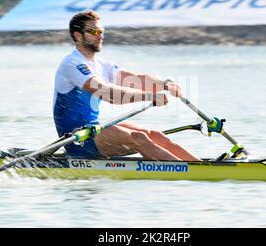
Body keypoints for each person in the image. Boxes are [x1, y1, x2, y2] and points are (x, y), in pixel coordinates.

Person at [53, 10, 200, 161]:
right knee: (139, 137)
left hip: (92, 129)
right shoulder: (73, 63)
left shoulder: (103, 65)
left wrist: (165, 84)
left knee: (156, 136)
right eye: (94, 31)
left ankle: (199, 166)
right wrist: (150, 96)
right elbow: (108, 93)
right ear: (78, 36)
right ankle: (190, 174)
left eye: (102, 31)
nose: (100, 35)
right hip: (77, 138)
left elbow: (136, 79)